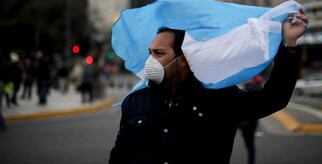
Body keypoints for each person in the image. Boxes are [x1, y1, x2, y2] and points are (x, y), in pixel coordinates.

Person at [109, 10, 308, 163]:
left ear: (183, 60)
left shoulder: (219, 98)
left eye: (159, 53)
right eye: (150, 53)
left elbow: (273, 98)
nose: (151, 60)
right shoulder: (135, 101)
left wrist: (289, 47)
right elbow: (120, 156)